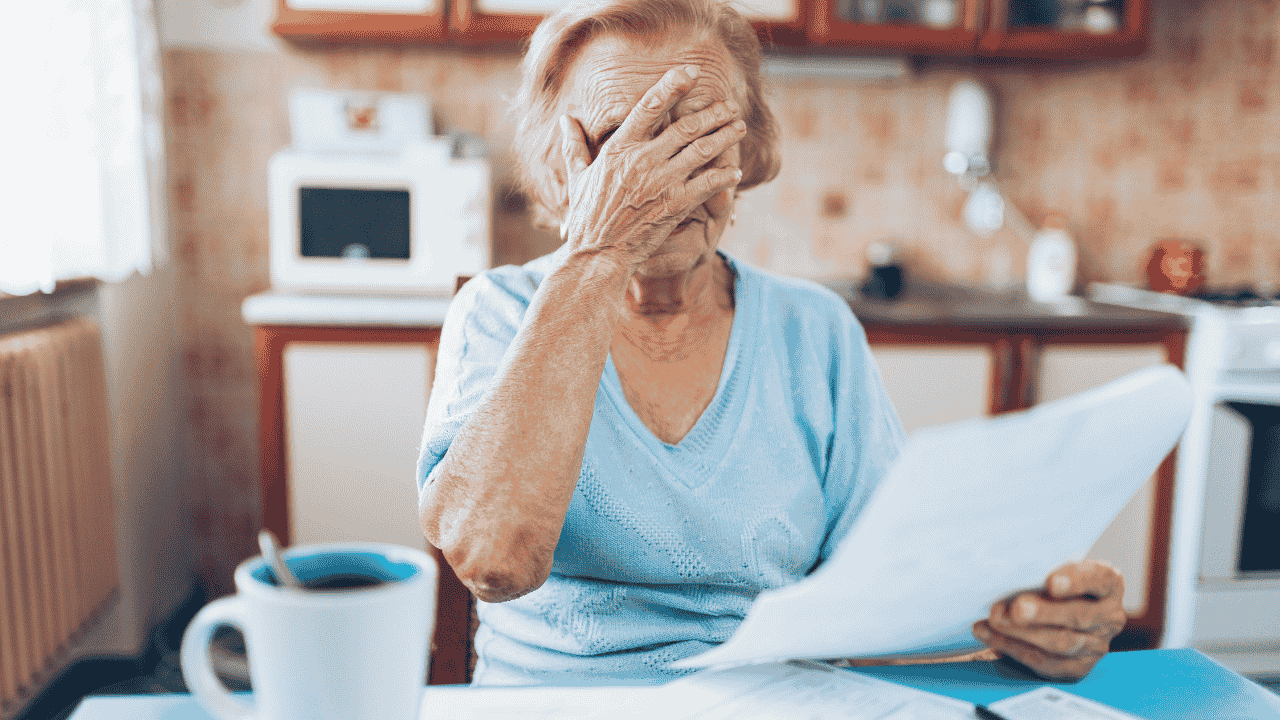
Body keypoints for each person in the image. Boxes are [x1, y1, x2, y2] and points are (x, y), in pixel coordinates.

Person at [417, 0, 1127, 686]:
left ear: (745, 153)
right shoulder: (498, 313)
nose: (660, 179)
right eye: (623, 144)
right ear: (562, 161)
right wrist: (601, 250)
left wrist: (1020, 620)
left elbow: (888, 581)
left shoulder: (813, 330)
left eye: (696, 139)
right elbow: (493, 560)